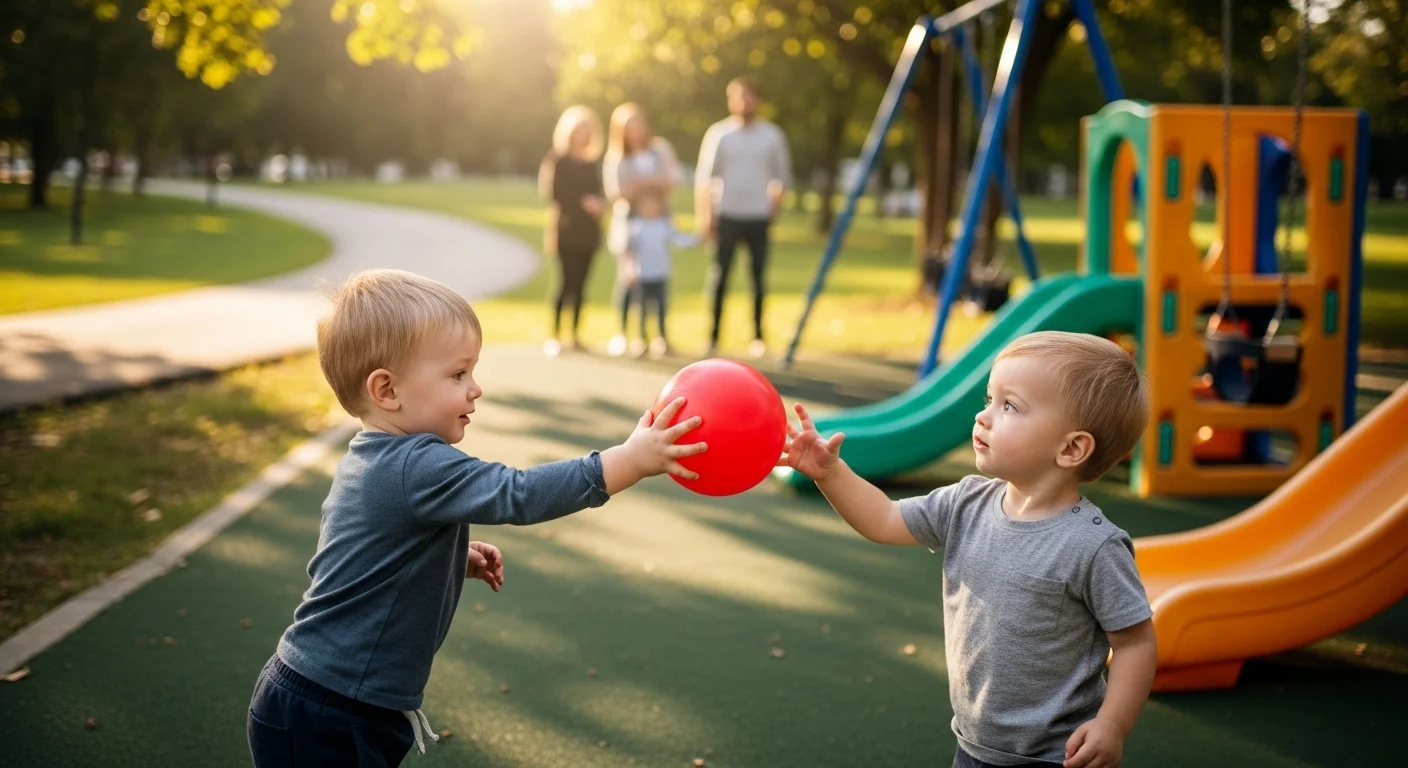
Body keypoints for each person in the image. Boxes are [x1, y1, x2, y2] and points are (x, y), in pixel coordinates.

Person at [247, 268, 707, 767]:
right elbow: (520, 494)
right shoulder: (415, 463)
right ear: (386, 390)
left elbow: (363, 552)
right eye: (457, 374)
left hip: (331, 698)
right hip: (330, 711)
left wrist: (448, 555)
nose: (476, 388)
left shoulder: (376, 455)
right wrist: (627, 461)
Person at [781, 331, 1157, 768]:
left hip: (1058, 754)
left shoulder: (1093, 545)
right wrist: (830, 473)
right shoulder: (967, 502)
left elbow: (1134, 643)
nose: (984, 416)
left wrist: (1112, 724)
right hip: (974, 745)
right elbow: (883, 519)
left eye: (1009, 406)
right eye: (989, 399)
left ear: (1071, 447)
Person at [695, 76, 792, 359]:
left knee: (758, 278)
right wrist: (707, 217)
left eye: (748, 96)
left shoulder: (772, 136)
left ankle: (758, 337)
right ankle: (713, 338)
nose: (743, 102)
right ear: (730, 101)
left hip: (758, 218)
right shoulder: (719, 134)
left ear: (757, 100)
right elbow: (705, 180)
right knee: (720, 278)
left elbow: (781, 179)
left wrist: (772, 209)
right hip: (726, 216)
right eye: (737, 97)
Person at [602, 103, 682, 358]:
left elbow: (672, 179)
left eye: (637, 123)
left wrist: (641, 184)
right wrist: (647, 185)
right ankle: (626, 333)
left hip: (657, 223)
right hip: (630, 224)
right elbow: (617, 192)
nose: (634, 131)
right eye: (628, 127)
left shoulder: (660, 149)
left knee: (657, 281)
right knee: (630, 280)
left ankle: (660, 335)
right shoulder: (616, 157)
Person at [539, 105, 607, 357]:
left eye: (587, 128)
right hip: (567, 230)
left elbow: (600, 192)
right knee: (565, 282)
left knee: (581, 285)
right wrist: (583, 202)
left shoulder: (592, 163)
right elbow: (555, 194)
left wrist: (600, 206)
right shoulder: (559, 160)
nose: (583, 133)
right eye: (579, 128)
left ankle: (574, 335)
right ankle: (555, 335)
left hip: (589, 232)